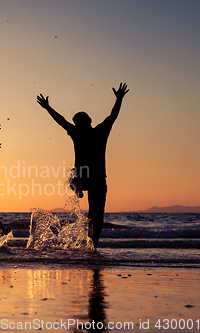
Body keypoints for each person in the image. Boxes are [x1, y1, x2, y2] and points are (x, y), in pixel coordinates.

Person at [36, 82, 129, 248]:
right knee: (76, 181)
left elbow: (111, 116)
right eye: (77, 122)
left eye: (79, 121)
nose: (78, 124)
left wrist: (48, 108)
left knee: (96, 215)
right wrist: (48, 108)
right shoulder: (88, 132)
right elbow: (63, 121)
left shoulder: (93, 132)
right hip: (90, 177)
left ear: (88, 121)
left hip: (96, 179)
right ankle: (78, 190)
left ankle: (94, 243)